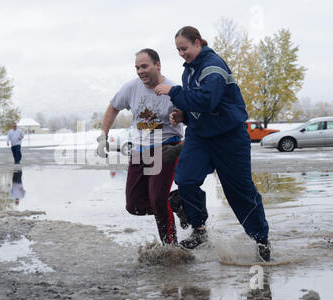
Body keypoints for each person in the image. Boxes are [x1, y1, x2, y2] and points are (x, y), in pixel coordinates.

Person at [155, 26, 271, 261]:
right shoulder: (189, 70)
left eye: (184, 48)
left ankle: (261, 239)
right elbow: (196, 106)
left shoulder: (212, 66)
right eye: (178, 50)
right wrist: (183, 116)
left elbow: (208, 100)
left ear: (197, 42)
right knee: (186, 179)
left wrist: (173, 91)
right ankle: (199, 231)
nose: (181, 53)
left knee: (240, 192)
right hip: (200, 136)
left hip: (229, 137)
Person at [96, 48, 185, 245]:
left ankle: (171, 247)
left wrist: (178, 116)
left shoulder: (172, 89)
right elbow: (113, 107)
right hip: (139, 150)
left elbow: (187, 115)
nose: (140, 71)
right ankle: (175, 202)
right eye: (137, 67)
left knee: (157, 199)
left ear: (158, 65)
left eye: (144, 66)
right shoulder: (131, 88)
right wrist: (104, 134)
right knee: (134, 205)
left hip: (165, 148)